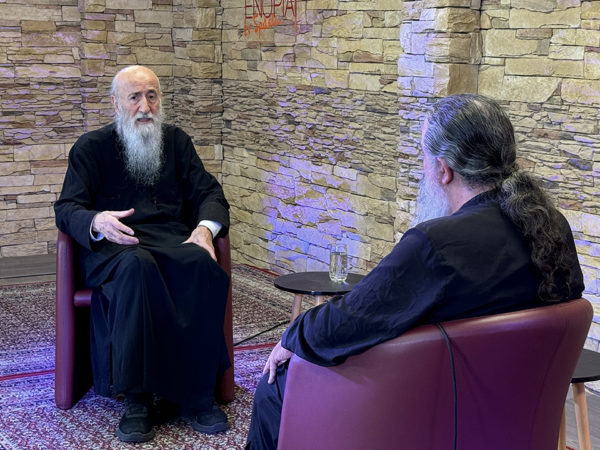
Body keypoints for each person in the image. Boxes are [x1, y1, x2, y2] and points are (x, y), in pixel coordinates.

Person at [245, 94, 585, 449]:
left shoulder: (437, 244)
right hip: (512, 414)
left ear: (443, 169)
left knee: (276, 383)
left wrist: (293, 335)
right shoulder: (551, 226)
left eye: (422, 154)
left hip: (426, 414)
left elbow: (346, 323)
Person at [54, 65, 231, 443]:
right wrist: (97, 220)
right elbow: (67, 208)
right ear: (116, 103)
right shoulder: (91, 148)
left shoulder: (177, 142)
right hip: (119, 247)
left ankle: (198, 395)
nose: (145, 106)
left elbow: (210, 194)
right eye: (134, 97)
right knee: (138, 267)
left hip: (172, 240)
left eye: (152, 95)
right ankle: (137, 400)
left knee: (200, 263)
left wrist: (204, 230)